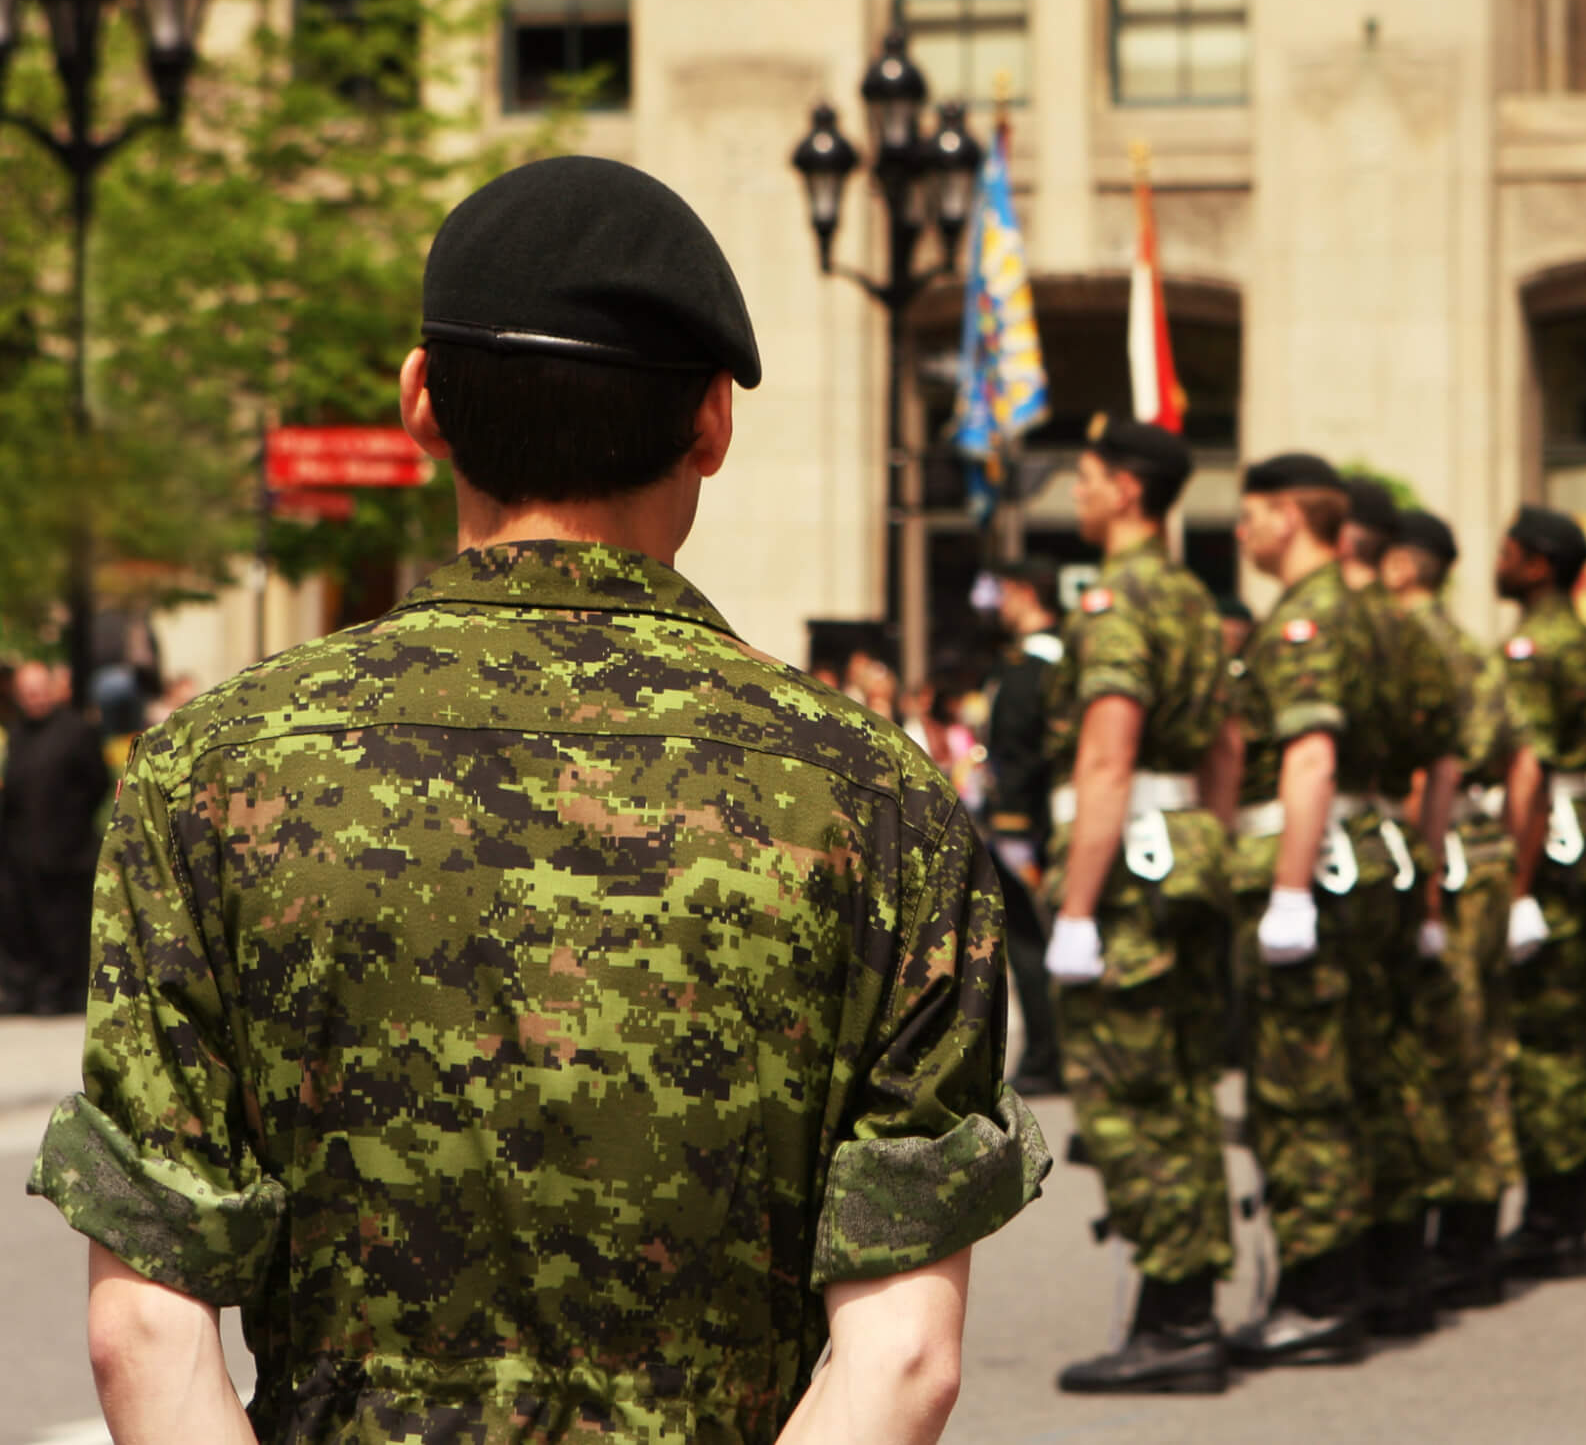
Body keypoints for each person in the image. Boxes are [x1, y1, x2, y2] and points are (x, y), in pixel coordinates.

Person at [29, 157, 1045, 1444]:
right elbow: (902, 1361)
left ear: (421, 404)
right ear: (712, 424)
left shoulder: (207, 776)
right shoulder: (883, 803)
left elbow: (145, 1331)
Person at [1041, 420, 1239, 1395]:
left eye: (1083, 478)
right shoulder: (1197, 596)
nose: (1072, 493)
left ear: (1125, 490)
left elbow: (1107, 754)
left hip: (1127, 874)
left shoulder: (1117, 602)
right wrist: (1215, 844)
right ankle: (1189, 1302)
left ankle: (1176, 1319)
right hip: (1188, 856)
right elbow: (1227, 749)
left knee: (1125, 1098)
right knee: (1183, 1088)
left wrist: (1077, 907)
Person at [1225, 453, 1398, 1366]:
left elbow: (1311, 757)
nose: (1242, 531)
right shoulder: (1367, 609)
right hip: (1358, 861)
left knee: (1302, 1094)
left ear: (1290, 516)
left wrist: (1289, 891)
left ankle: (1320, 1299)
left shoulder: (1307, 617)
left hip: (1310, 868)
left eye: (1252, 514)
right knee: (1349, 1075)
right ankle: (1353, 1280)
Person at [1382, 507, 1526, 1306]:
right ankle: (1476, 1231)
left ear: (1404, 566)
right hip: (1487, 852)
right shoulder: (1474, 644)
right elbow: (1527, 759)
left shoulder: (1413, 642)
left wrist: (1426, 873)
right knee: (1479, 1046)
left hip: (1448, 859)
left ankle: (1464, 1238)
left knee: (1446, 1048)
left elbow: (1425, 775)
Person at [1334, 476, 1457, 1336]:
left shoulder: (1354, 623)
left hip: (1346, 850)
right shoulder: (1406, 628)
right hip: (1392, 849)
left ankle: (1351, 1273)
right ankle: (1397, 1258)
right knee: (1388, 1058)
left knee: (1339, 1070)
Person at [1494, 506, 1586, 1278]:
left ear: (1540, 563)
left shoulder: (1534, 646)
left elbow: (1529, 771)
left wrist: (1517, 888)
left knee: (1544, 1038)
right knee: (1572, 1028)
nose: (1500, 562)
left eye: (1511, 552)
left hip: (1549, 850)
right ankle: (1575, 1204)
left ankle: (1555, 1214)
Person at [986, 558, 1065, 1097]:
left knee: (1033, 945)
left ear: (1025, 594)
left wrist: (1011, 823)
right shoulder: (1055, 657)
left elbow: (1018, 752)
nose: (999, 606)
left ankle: (1046, 1054)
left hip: (1030, 825)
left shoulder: (1030, 667)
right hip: (1050, 818)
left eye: (1005, 593)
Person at [0, 660, 110, 1016]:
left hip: (67, 849)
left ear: (52, 690)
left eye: (38, 690)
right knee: (21, 925)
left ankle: (61, 993)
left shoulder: (77, 731)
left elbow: (98, 784)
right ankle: (24, 992)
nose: (33, 698)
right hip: (20, 852)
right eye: (26, 692)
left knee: (63, 928)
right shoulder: (16, 733)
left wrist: (70, 824)